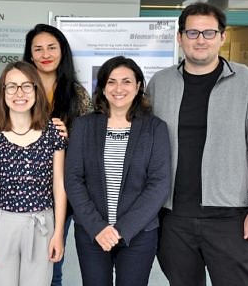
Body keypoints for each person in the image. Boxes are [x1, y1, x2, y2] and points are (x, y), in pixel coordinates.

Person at [146, 2, 248, 286]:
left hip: (229, 217)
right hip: (172, 217)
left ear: (222, 37)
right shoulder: (160, 83)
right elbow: (143, 142)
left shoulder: (247, 82)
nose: (200, 40)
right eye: (192, 33)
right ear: (180, 38)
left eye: (208, 32)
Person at [65, 56, 171, 286]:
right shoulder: (84, 126)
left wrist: (122, 229)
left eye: (126, 81)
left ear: (138, 86)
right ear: (102, 87)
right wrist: (98, 228)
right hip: (92, 233)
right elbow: (73, 179)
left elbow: (159, 184)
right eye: (111, 82)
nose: (119, 88)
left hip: (139, 234)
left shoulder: (155, 128)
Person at [0, 61, 67, 286]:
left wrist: (58, 233)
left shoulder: (53, 132)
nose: (19, 93)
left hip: (42, 224)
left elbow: (59, 185)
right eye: (11, 86)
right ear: (2, 92)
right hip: (2, 224)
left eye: (27, 86)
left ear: (36, 90)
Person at [23, 23, 92, 286]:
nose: (45, 54)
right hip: (21, 190)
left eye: (51, 47)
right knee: (18, 262)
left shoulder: (76, 94)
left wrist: (68, 138)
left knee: (51, 264)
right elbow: (2, 131)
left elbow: (89, 146)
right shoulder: (19, 88)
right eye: (38, 49)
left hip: (61, 193)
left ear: (62, 51)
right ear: (30, 55)